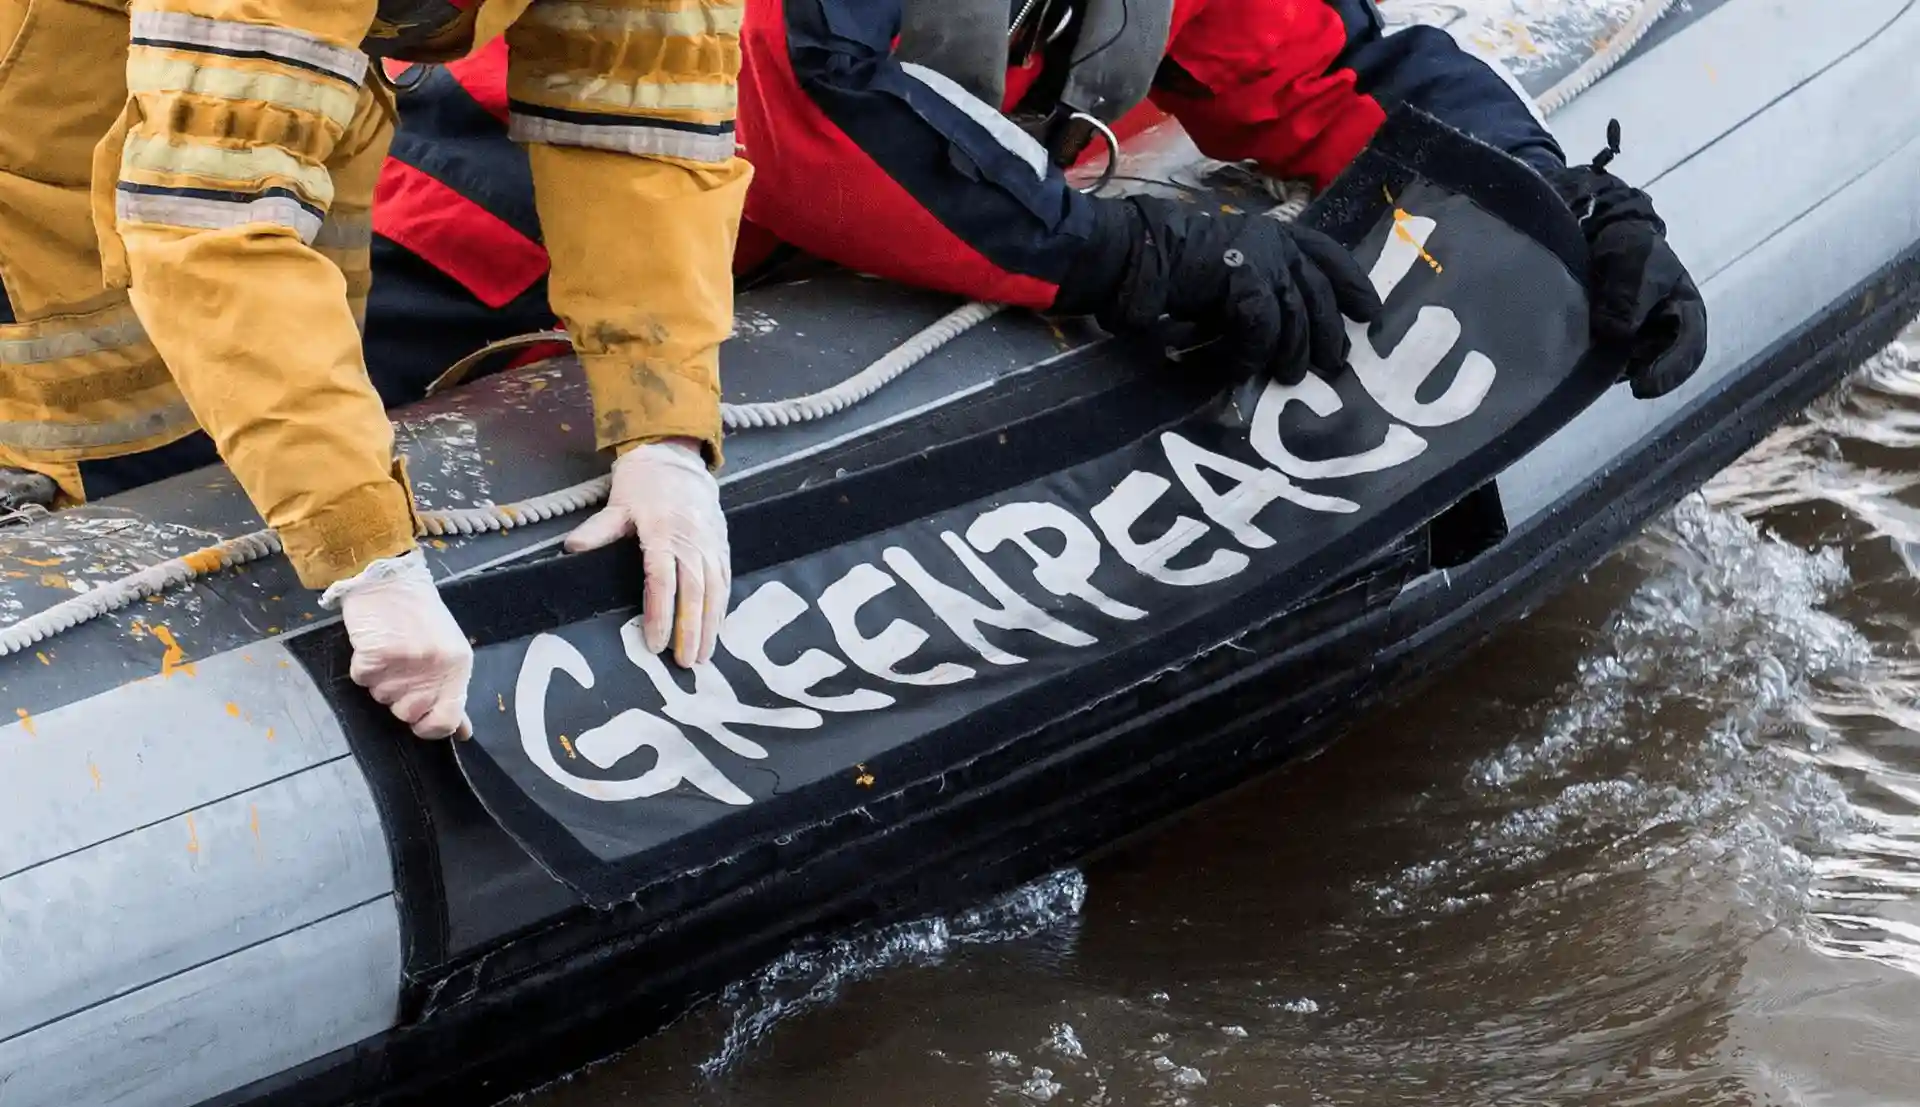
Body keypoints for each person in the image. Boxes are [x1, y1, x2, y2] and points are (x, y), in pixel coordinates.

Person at [0, 0, 750, 740]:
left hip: (282, 120)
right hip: (56, 151)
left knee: (270, 450)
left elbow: (641, 100)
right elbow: (210, 215)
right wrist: (364, 549)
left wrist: (663, 415)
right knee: (108, 437)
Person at [363, 0, 1705, 410]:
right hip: (475, 260)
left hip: (757, 285)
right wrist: (1132, 252)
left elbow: (1326, 71)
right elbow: (800, 89)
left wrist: (1570, 204)